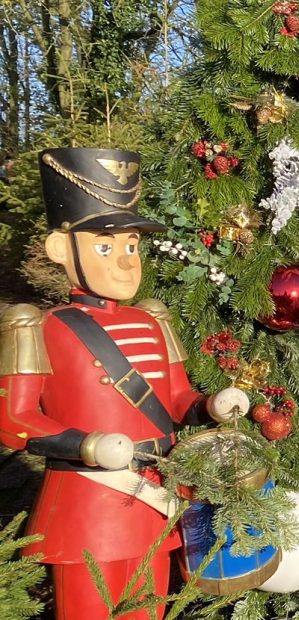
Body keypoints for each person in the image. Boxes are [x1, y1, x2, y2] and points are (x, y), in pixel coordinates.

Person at [0, 148, 250, 619]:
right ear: (61, 249)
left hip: (155, 494)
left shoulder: (153, 319)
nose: (124, 262)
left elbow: (175, 400)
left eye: (131, 246)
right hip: (87, 502)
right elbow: (13, 420)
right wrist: (87, 445)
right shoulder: (36, 326)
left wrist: (212, 403)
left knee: (149, 606)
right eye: (105, 247)